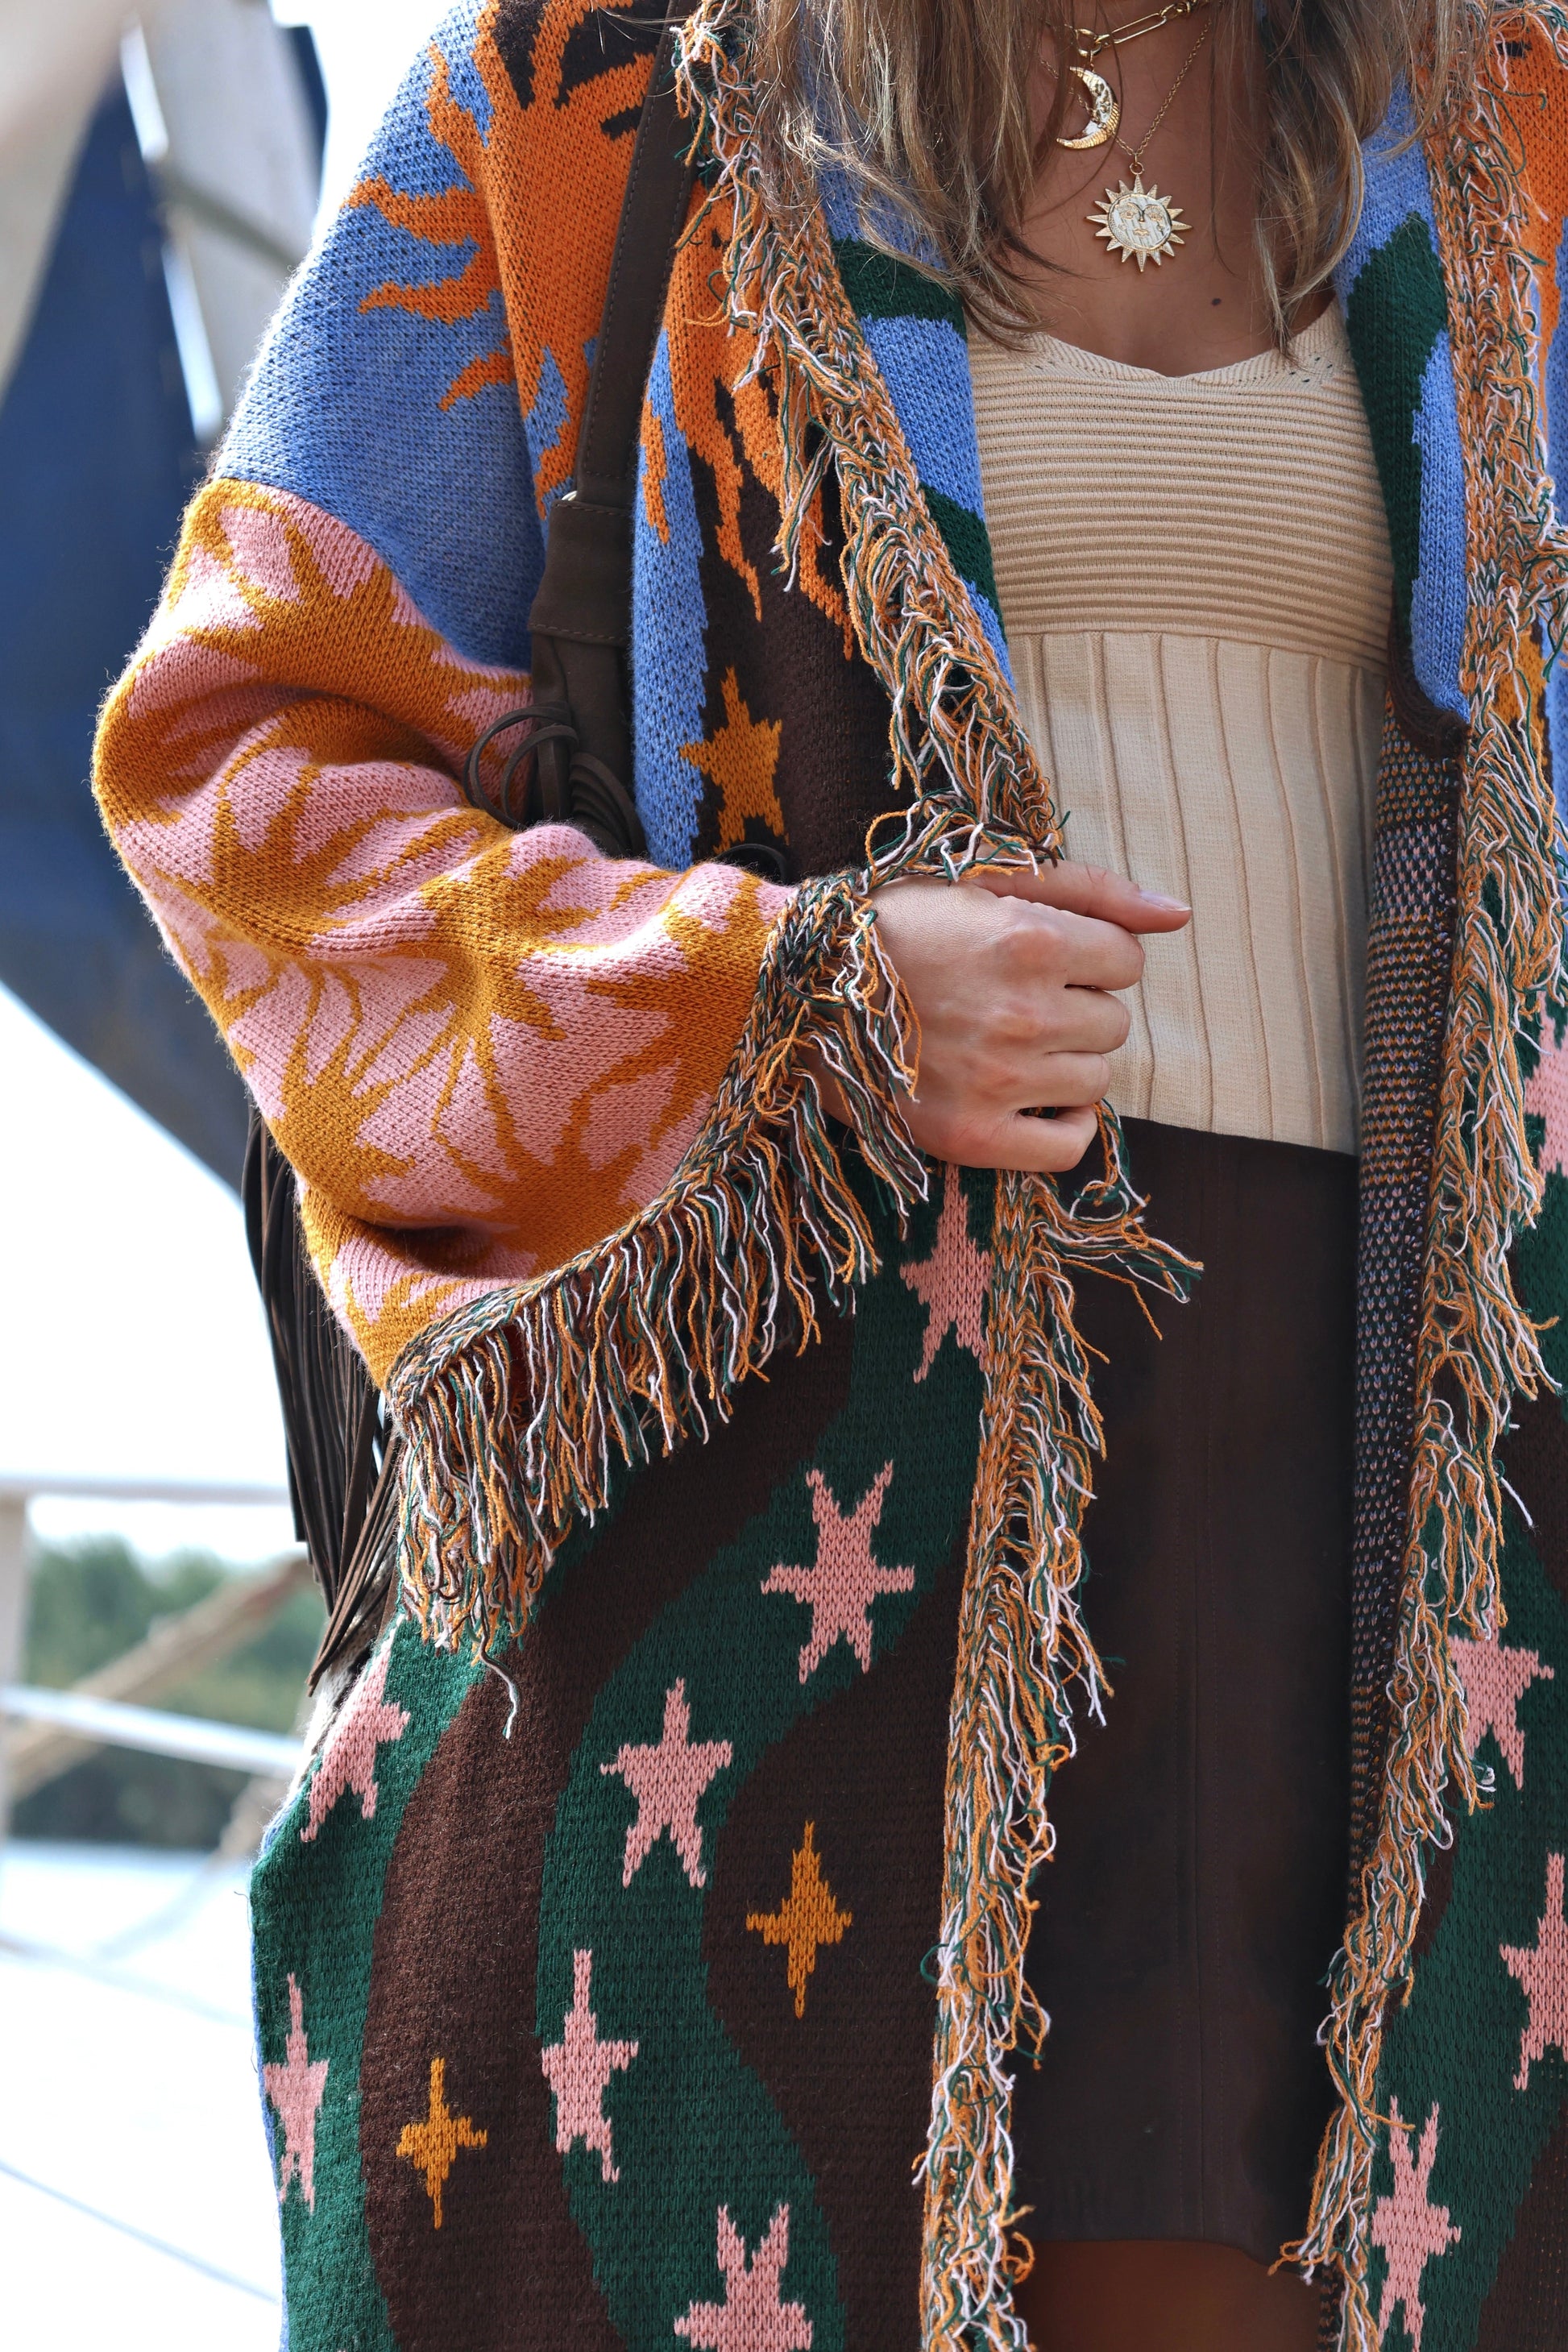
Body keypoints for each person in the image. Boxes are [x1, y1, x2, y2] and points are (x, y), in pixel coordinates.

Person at [93, 4, 1568, 2349]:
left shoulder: (1515, 106)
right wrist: (785, 1000)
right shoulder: (584, 90)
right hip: (786, 1464)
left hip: (1415, 1492)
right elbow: (238, 765)